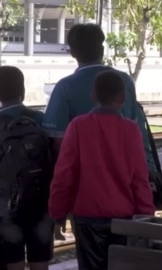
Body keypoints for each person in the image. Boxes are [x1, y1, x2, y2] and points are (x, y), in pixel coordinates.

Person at [49, 71, 155, 270]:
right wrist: (146, 214)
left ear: (93, 96)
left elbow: (64, 175)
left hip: (87, 217)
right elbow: (139, 178)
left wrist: (58, 213)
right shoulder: (131, 130)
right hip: (123, 218)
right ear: (122, 98)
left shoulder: (78, 126)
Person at [42, 23, 155, 170]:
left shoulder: (64, 87)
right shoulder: (125, 81)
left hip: (85, 176)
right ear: (102, 50)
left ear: (72, 52)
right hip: (125, 173)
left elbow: (58, 142)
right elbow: (138, 132)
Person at [0, 66, 54, 270]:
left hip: (6, 205)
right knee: (40, 262)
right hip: (41, 201)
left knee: (12, 262)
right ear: (22, 90)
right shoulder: (40, 119)